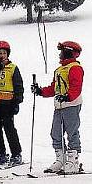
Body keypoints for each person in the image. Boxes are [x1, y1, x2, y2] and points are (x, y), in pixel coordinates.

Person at [31, 41, 84, 174]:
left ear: (68, 52)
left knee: (72, 132)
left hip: (71, 104)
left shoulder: (75, 68)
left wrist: (67, 97)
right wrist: (41, 91)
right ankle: (61, 160)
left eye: (61, 52)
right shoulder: (59, 69)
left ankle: (73, 161)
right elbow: (54, 88)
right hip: (59, 105)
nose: (60, 55)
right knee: (56, 132)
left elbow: (76, 87)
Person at [0, 40, 24, 167]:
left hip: (8, 103)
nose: (1, 55)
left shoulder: (13, 68)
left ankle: (16, 153)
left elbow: (18, 86)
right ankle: (0, 153)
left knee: (9, 128)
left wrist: (17, 102)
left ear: (8, 54)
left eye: (4, 53)